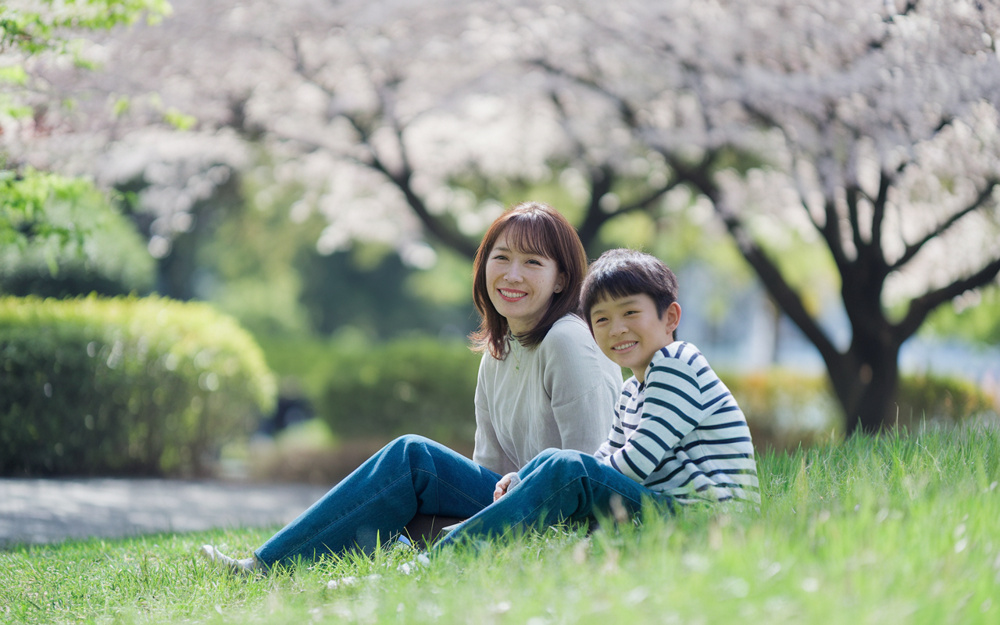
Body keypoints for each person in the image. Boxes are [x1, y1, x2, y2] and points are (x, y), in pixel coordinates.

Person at [201, 201, 622, 573]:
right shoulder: (499, 351)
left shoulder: (569, 341)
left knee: (412, 456)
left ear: (562, 280)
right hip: (512, 506)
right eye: (502, 257)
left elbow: (588, 473)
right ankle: (270, 563)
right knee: (409, 505)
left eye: (533, 263)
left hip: (566, 513)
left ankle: (265, 567)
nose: (512, 274)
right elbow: (488, 472)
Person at [431, 248, 760, 549]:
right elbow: (604, 454)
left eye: (630, 313)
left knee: (567, 466)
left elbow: (635, 462)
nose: (616, 329)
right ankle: (463, 540)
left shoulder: (678, 364)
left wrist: (565, 478)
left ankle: (450, 552)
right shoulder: (633, 390)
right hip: (670, 511)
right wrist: (525, 478)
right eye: (602, 319)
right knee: (559, 461)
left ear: (670, 317)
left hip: (710, 520)